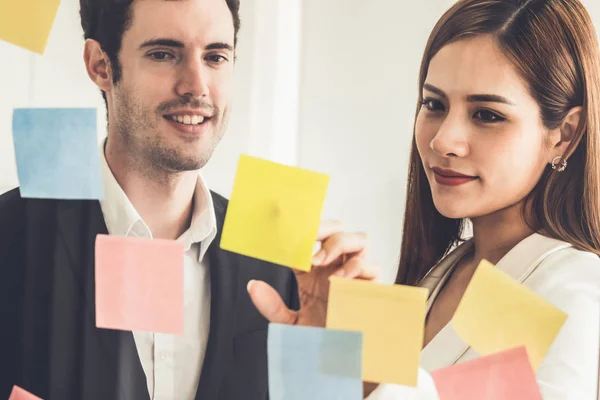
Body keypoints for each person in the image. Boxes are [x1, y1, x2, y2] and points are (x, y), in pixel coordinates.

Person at [0, 0, 378, 399]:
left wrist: (341, 371)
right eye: (163, 54)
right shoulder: (10, 237)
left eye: (215, 56)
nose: (197, 86)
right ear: (100, 65)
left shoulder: (290, 265)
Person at [257, 0, 600, 399]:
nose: (442, 140)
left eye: (487, 114)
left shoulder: (572, 291)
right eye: (434, 105)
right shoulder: (443, 273)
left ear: (565, 134)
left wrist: (366, 368)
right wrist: (324, 351)